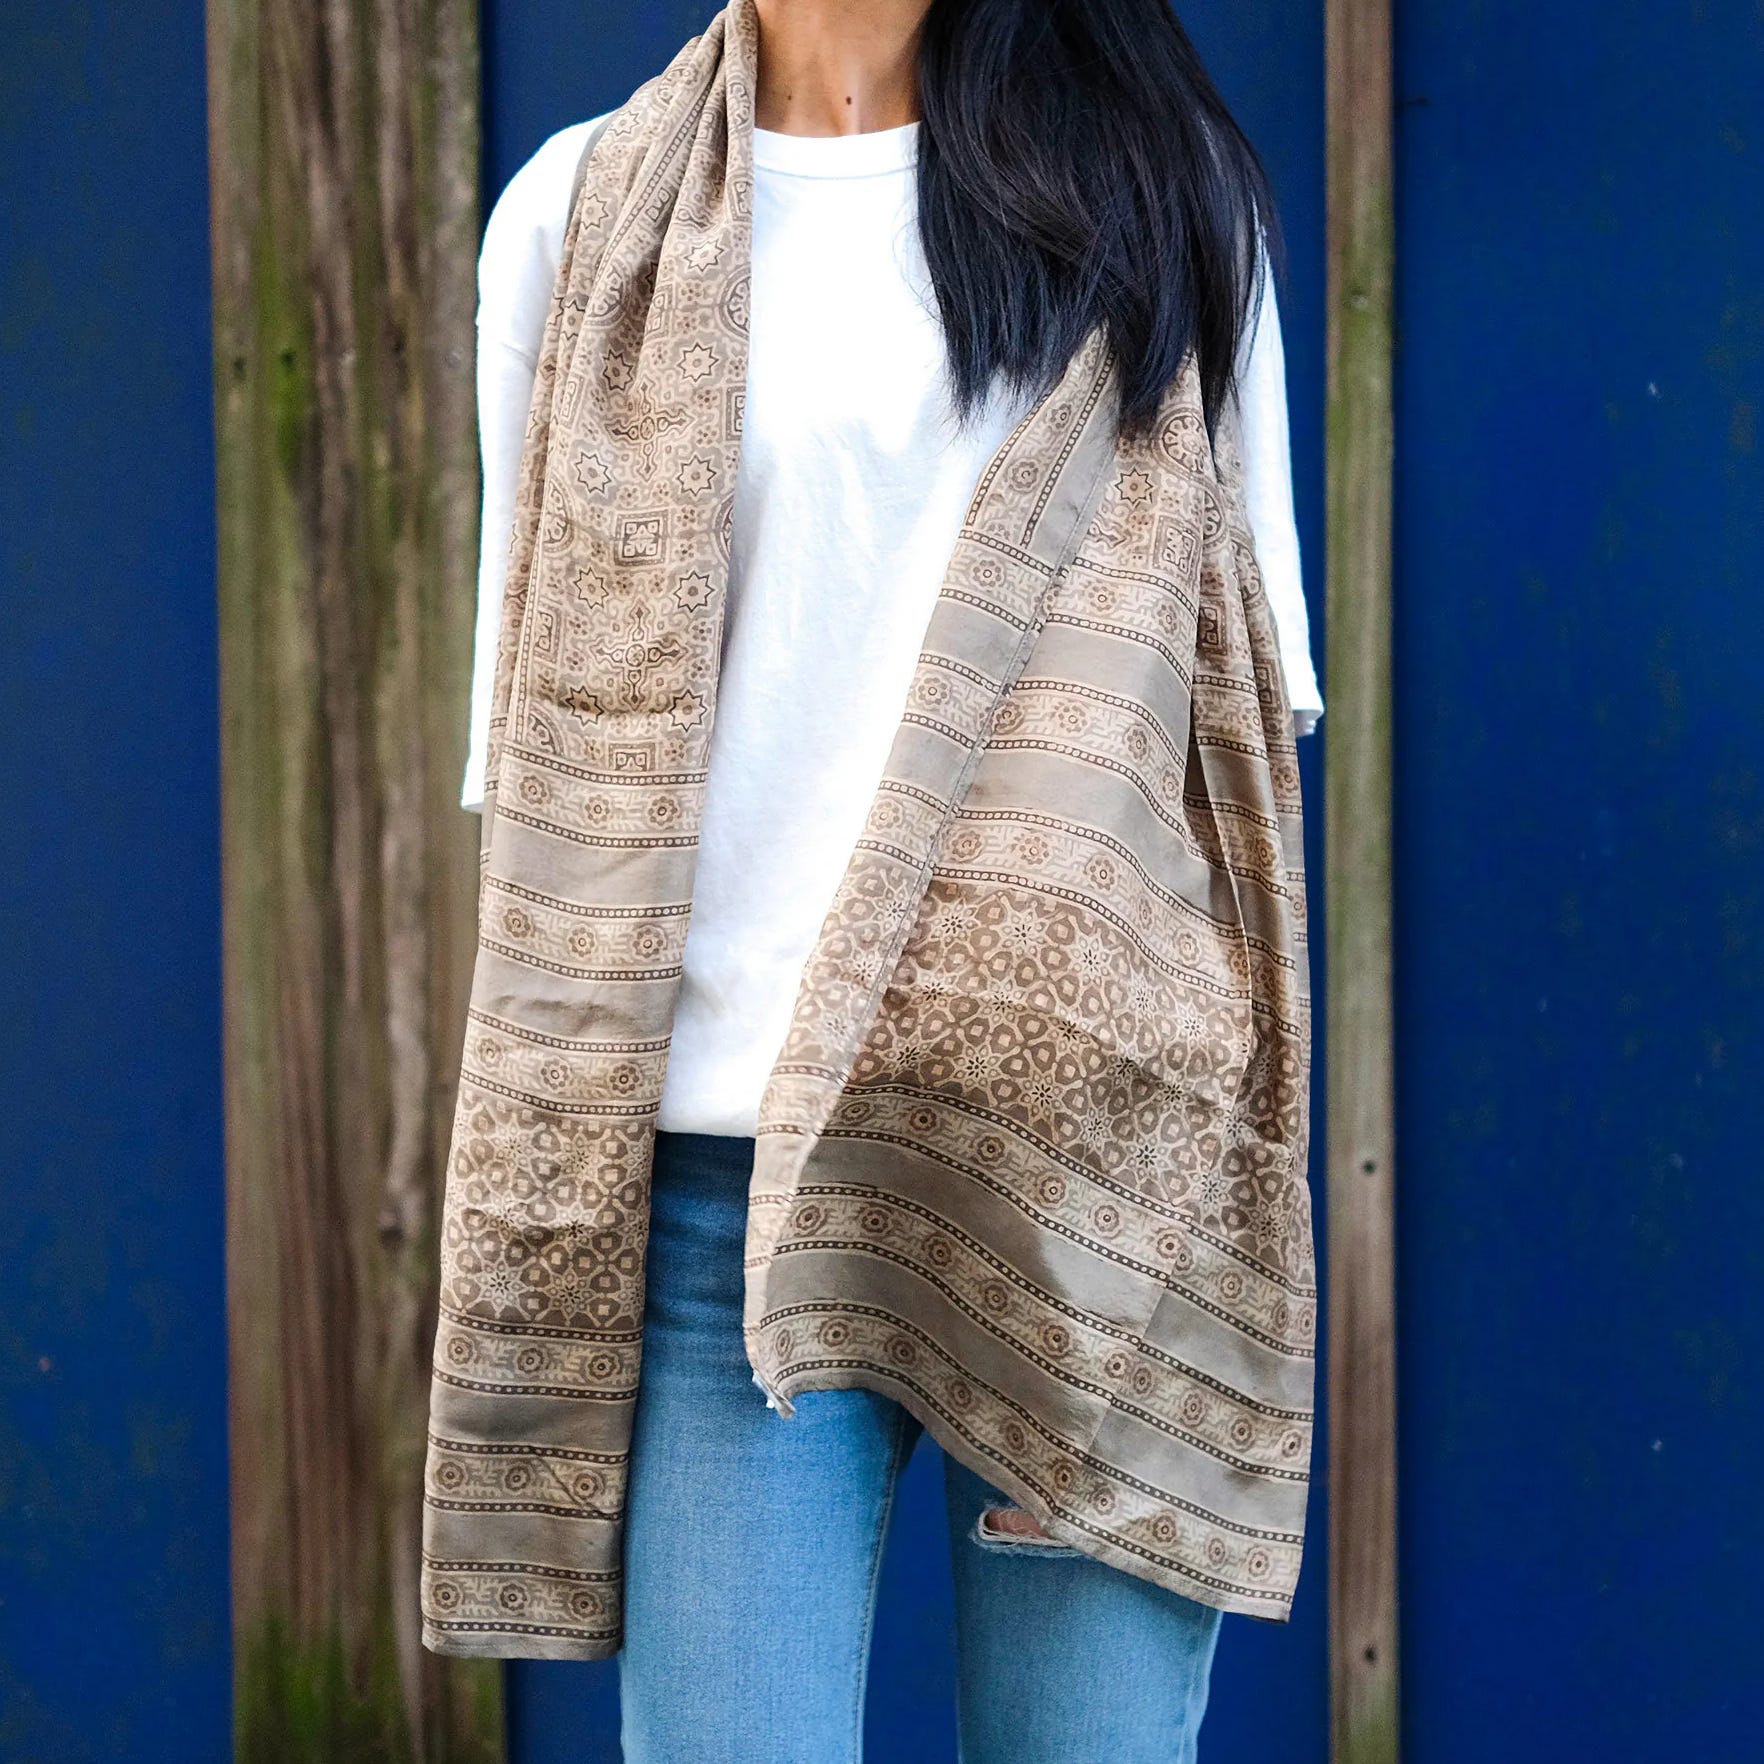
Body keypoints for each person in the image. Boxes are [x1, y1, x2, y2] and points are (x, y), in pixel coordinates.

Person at [440, 3, 1322, 1758]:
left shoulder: (1169, 199)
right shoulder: (575, 218)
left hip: (1088, 1190)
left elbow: (1237, 733)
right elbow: (536, 754)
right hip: (724, 1205)